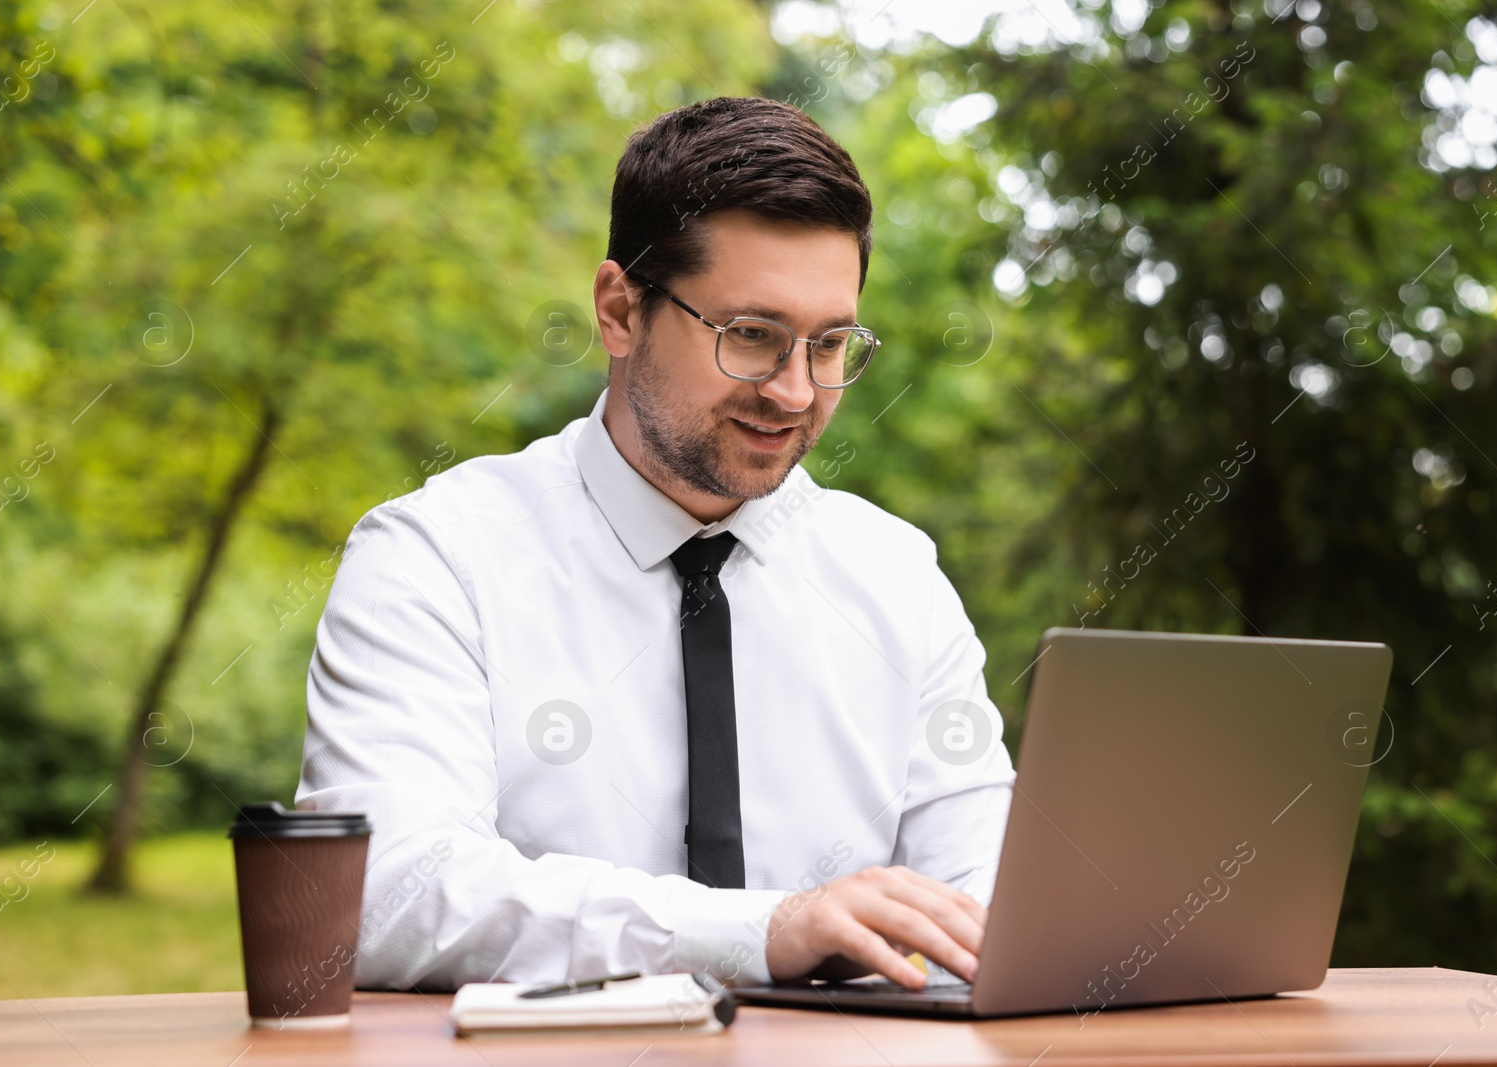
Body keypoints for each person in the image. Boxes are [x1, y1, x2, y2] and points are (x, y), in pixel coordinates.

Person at [296, 95, 1015, 993]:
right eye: (751, 337)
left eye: (829, 345)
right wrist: (761, 929)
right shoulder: (435, 558)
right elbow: (383, 894)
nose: (795, 393)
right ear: (619, 310)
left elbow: (986, 902)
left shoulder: (896, 577)